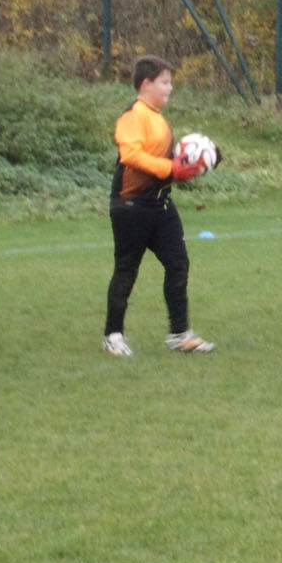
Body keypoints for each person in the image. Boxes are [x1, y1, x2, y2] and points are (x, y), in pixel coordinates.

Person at [102, 55, 215, 357]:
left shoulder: (158, 118)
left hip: (160, 205)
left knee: (178, 263)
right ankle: (113, 335)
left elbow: (165, 163)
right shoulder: (134, 115)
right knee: (127, 269)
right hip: (131, 205)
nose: (170, 88)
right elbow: (131, 155)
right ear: (146, 84)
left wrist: (194, 164)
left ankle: (179, 334)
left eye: (170, 82)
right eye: (164, 82)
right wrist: (171, 168)